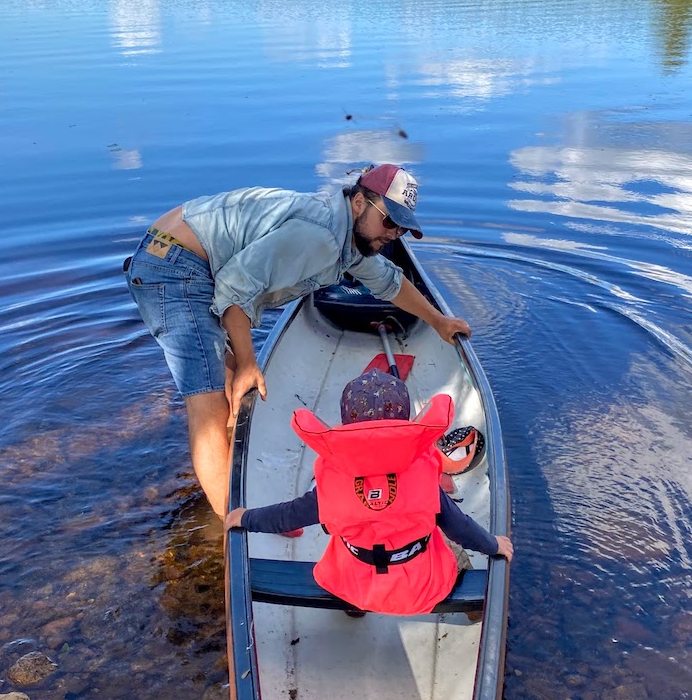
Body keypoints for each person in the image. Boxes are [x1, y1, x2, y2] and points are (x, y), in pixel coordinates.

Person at [124, 164, 471, 520]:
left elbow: (389, 282)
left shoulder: (349, 241)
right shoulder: (318, 235)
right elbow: (233, 289)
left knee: (230, 388)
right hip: (175, 264)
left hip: (186, 254)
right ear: (359, 203)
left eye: (402, 227)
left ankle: (231, 487)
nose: (393, 234)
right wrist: (247, 361)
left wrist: (438, 321)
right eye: (388, 221)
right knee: (209, 405)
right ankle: (237, 529)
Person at [225, 371, 514, 616]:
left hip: (354, 584)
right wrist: (493, 545)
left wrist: (245, 518)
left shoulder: (329, 486)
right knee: (455, 552)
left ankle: (355, 609)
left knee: (345, 542)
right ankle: (478, 614)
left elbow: (285, 517)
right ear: (405, 424)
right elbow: (461, 528)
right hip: (418, 588)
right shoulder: (424, 479)